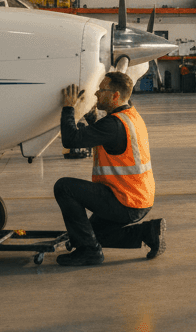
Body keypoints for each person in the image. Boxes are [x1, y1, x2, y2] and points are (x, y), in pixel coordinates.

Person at [52, 70, 165, 266]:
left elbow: (71, 140)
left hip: (125, 200)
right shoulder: (130, 116)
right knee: (92, 234)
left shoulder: (113, 125)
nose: (96, 94)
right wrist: (92, 119)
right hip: (138, 197)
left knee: (64, 187)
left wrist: (68, 108)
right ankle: (149, 233)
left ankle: (88, 252)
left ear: (115, 96)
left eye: (101, 90)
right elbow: (110, 137)